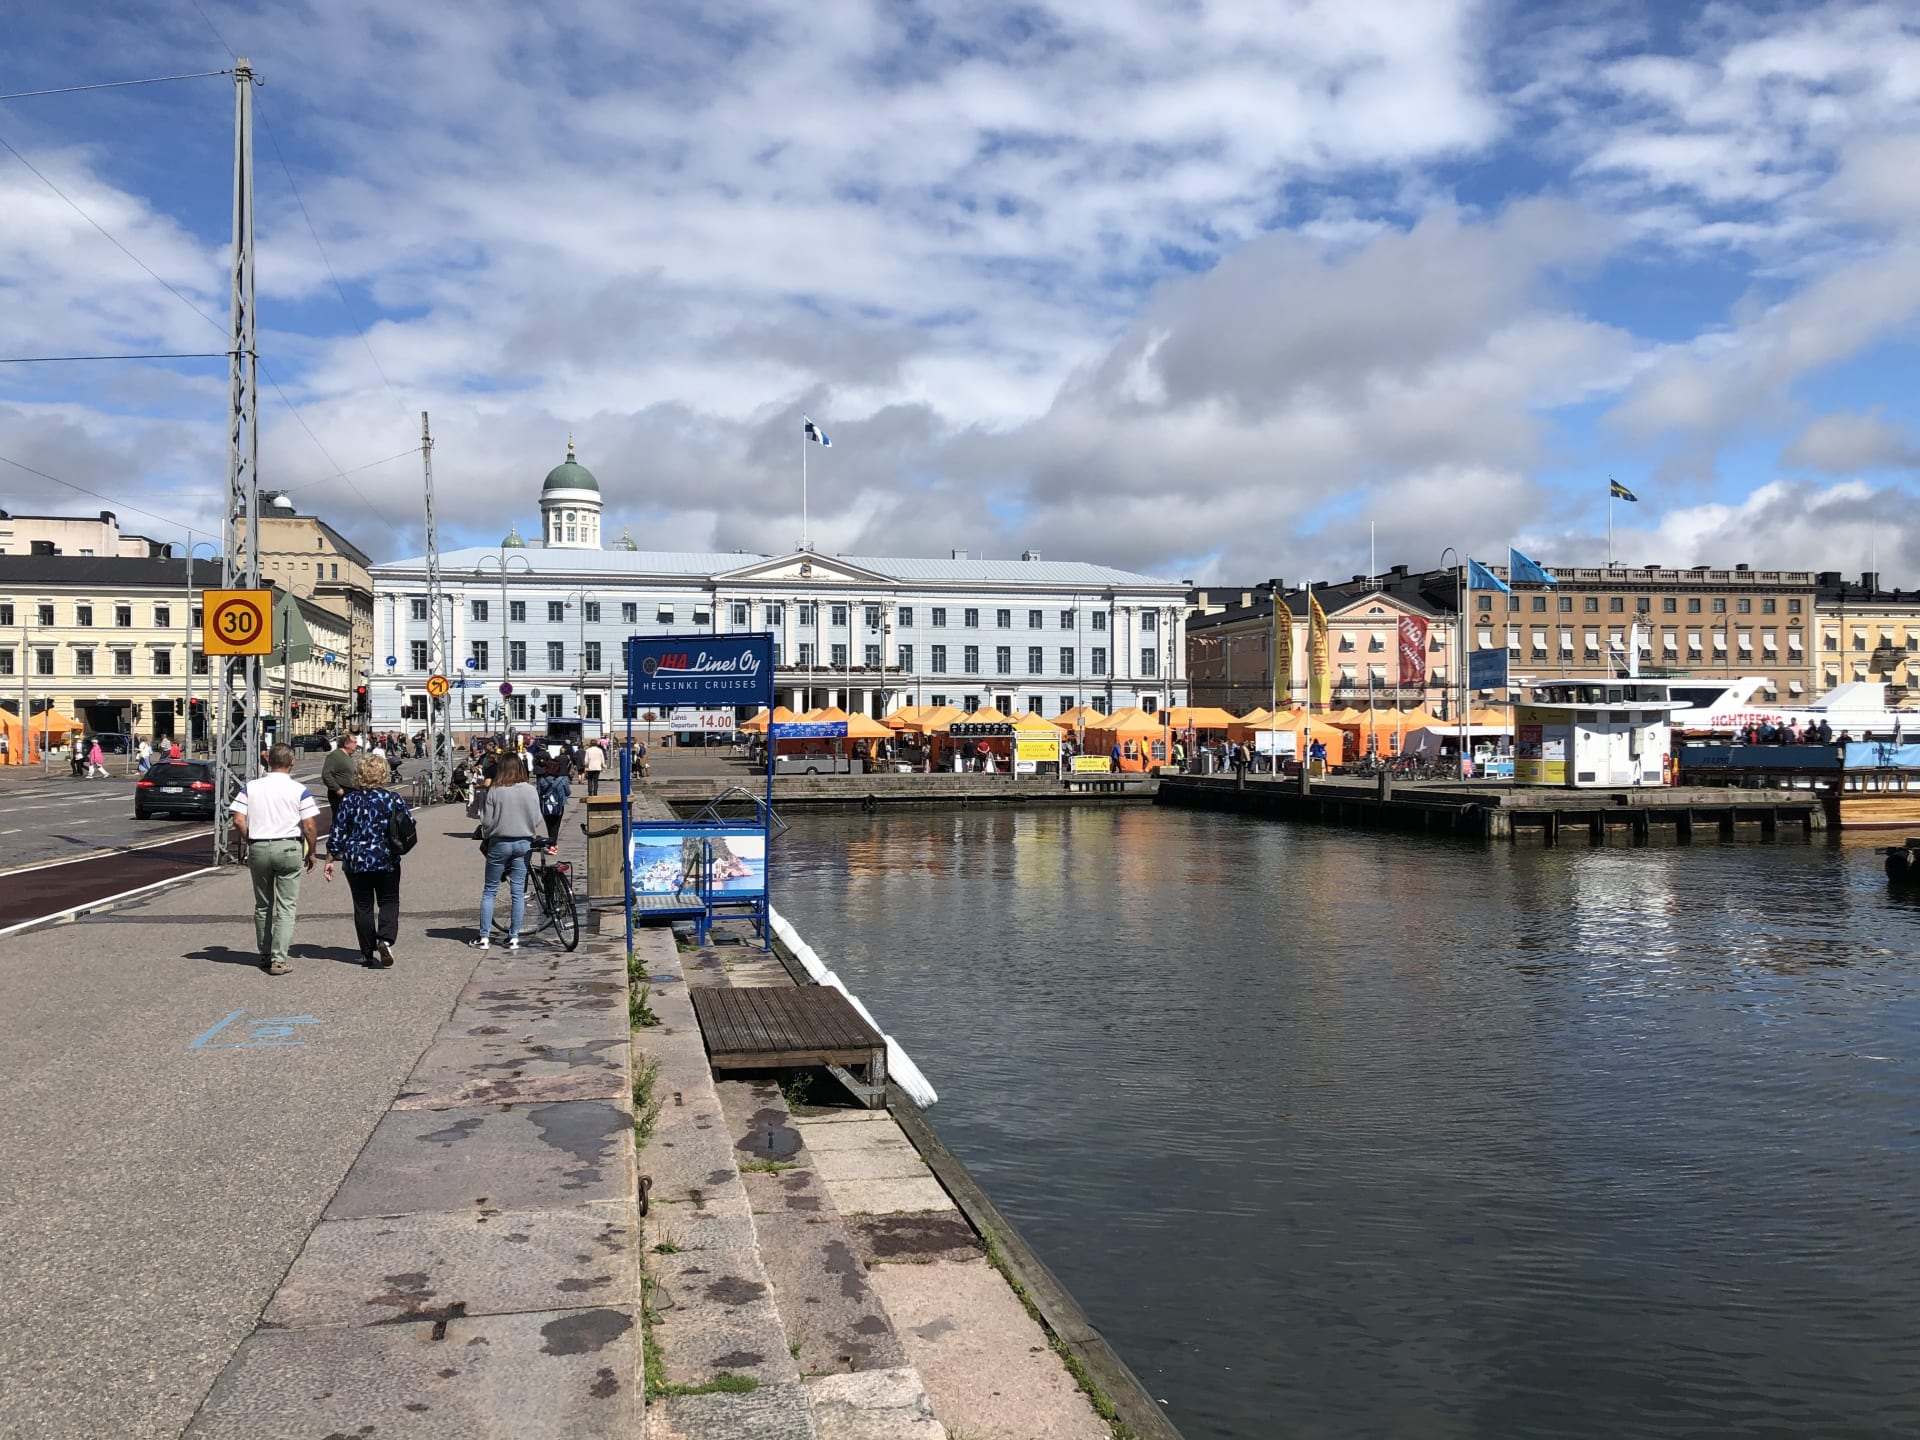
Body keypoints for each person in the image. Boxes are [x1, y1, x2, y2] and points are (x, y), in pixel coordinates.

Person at [229, 743, 319, 975]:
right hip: (288, 846)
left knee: (262, 905)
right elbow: (309, 824)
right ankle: (279, 958)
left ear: (268, 761)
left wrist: (251, 839)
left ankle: (265, 953)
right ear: (292, 762)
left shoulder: (251, 787)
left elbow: (238, 819)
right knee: (286, 906)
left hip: (259, 846)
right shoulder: (299, 789)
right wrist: (311, 852)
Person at [323, 752, 411, 967]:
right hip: (386, 858)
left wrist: (330, 858)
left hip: (356, 860)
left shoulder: (349, 800)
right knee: (389, 900)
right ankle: (385, 939)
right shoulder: (392, 799)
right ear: (383, 774)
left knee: (363, 906)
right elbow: (408, 824)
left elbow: (338, 832)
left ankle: (367, 952)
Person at [471, 752, 540, 951]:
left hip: (499, 842)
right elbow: (537, 818)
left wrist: (491, 830)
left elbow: (486, 821)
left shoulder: (496, 790)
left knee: (490, 889)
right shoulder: (530, 790)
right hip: (524, 843)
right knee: (517, 891)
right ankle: (514, 937)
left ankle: (484, 937)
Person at [535, 755, 571, 852]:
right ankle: (553, 844)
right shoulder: (563, 779)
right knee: (556, 825)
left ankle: (551, 843)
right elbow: (568, 792)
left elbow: (537, 792)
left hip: (545, 804)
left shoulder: (542, 780)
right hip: (558, 804)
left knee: (549, 825)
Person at [321, 731, 360, 816]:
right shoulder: (335, 755)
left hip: (350, 791)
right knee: (340, 818)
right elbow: (326, 774)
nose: (356, 744)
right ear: (346, 744)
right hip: (341, 793)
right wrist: (338, 790)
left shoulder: (348, 756)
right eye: (354, 742)